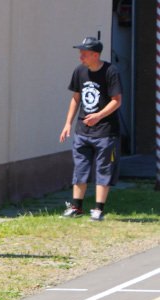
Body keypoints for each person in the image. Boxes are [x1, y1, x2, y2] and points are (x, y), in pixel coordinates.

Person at [59, 36, 122, 222]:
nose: (81, 57)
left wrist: (98, 116)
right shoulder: (79, 72)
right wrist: (68, 123)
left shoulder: (111, 71)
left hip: (105, 132)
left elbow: (117, 101)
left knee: (103, 169)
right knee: (80, 169)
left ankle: (98, 210)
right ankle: (76, 207)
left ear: (95, 55)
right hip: (82, 132)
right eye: (80, 54)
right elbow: (76, 98)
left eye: (84, 54)